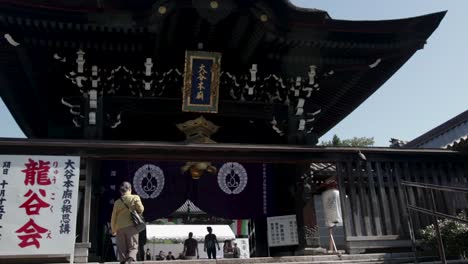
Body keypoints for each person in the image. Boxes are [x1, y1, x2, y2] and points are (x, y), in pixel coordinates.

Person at [111, 182, 144, 264]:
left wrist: (114, 229)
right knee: (133, 246)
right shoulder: (135, 197)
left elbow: (113, 217)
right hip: (131, 227)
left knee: (122, 249)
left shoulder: (117, 202)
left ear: (121, 191)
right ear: (130, 189)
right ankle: (129, 261)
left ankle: (123, 262)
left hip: (119, 228)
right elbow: (141, 209)